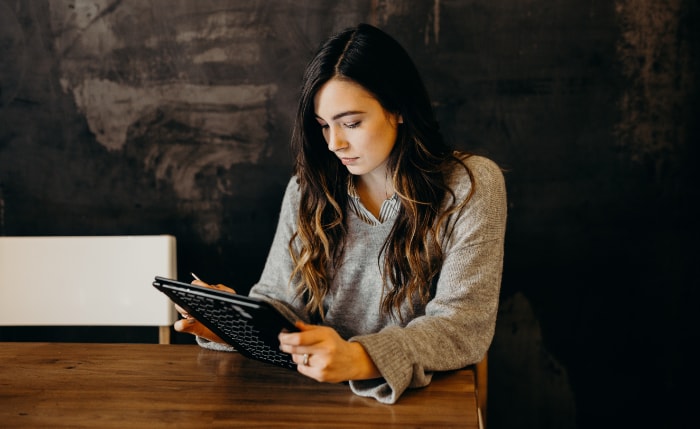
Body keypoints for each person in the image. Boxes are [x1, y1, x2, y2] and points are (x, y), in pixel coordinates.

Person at [175, 23, 507, 404]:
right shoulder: (306, 189)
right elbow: (282, 305)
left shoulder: (470, 186)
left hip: (426, 402)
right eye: (323, 126)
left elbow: (463, 325)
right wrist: (230, 323)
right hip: (319, 400)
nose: (335, 143)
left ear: (398, 108)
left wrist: (359, 358)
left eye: (351, 123)